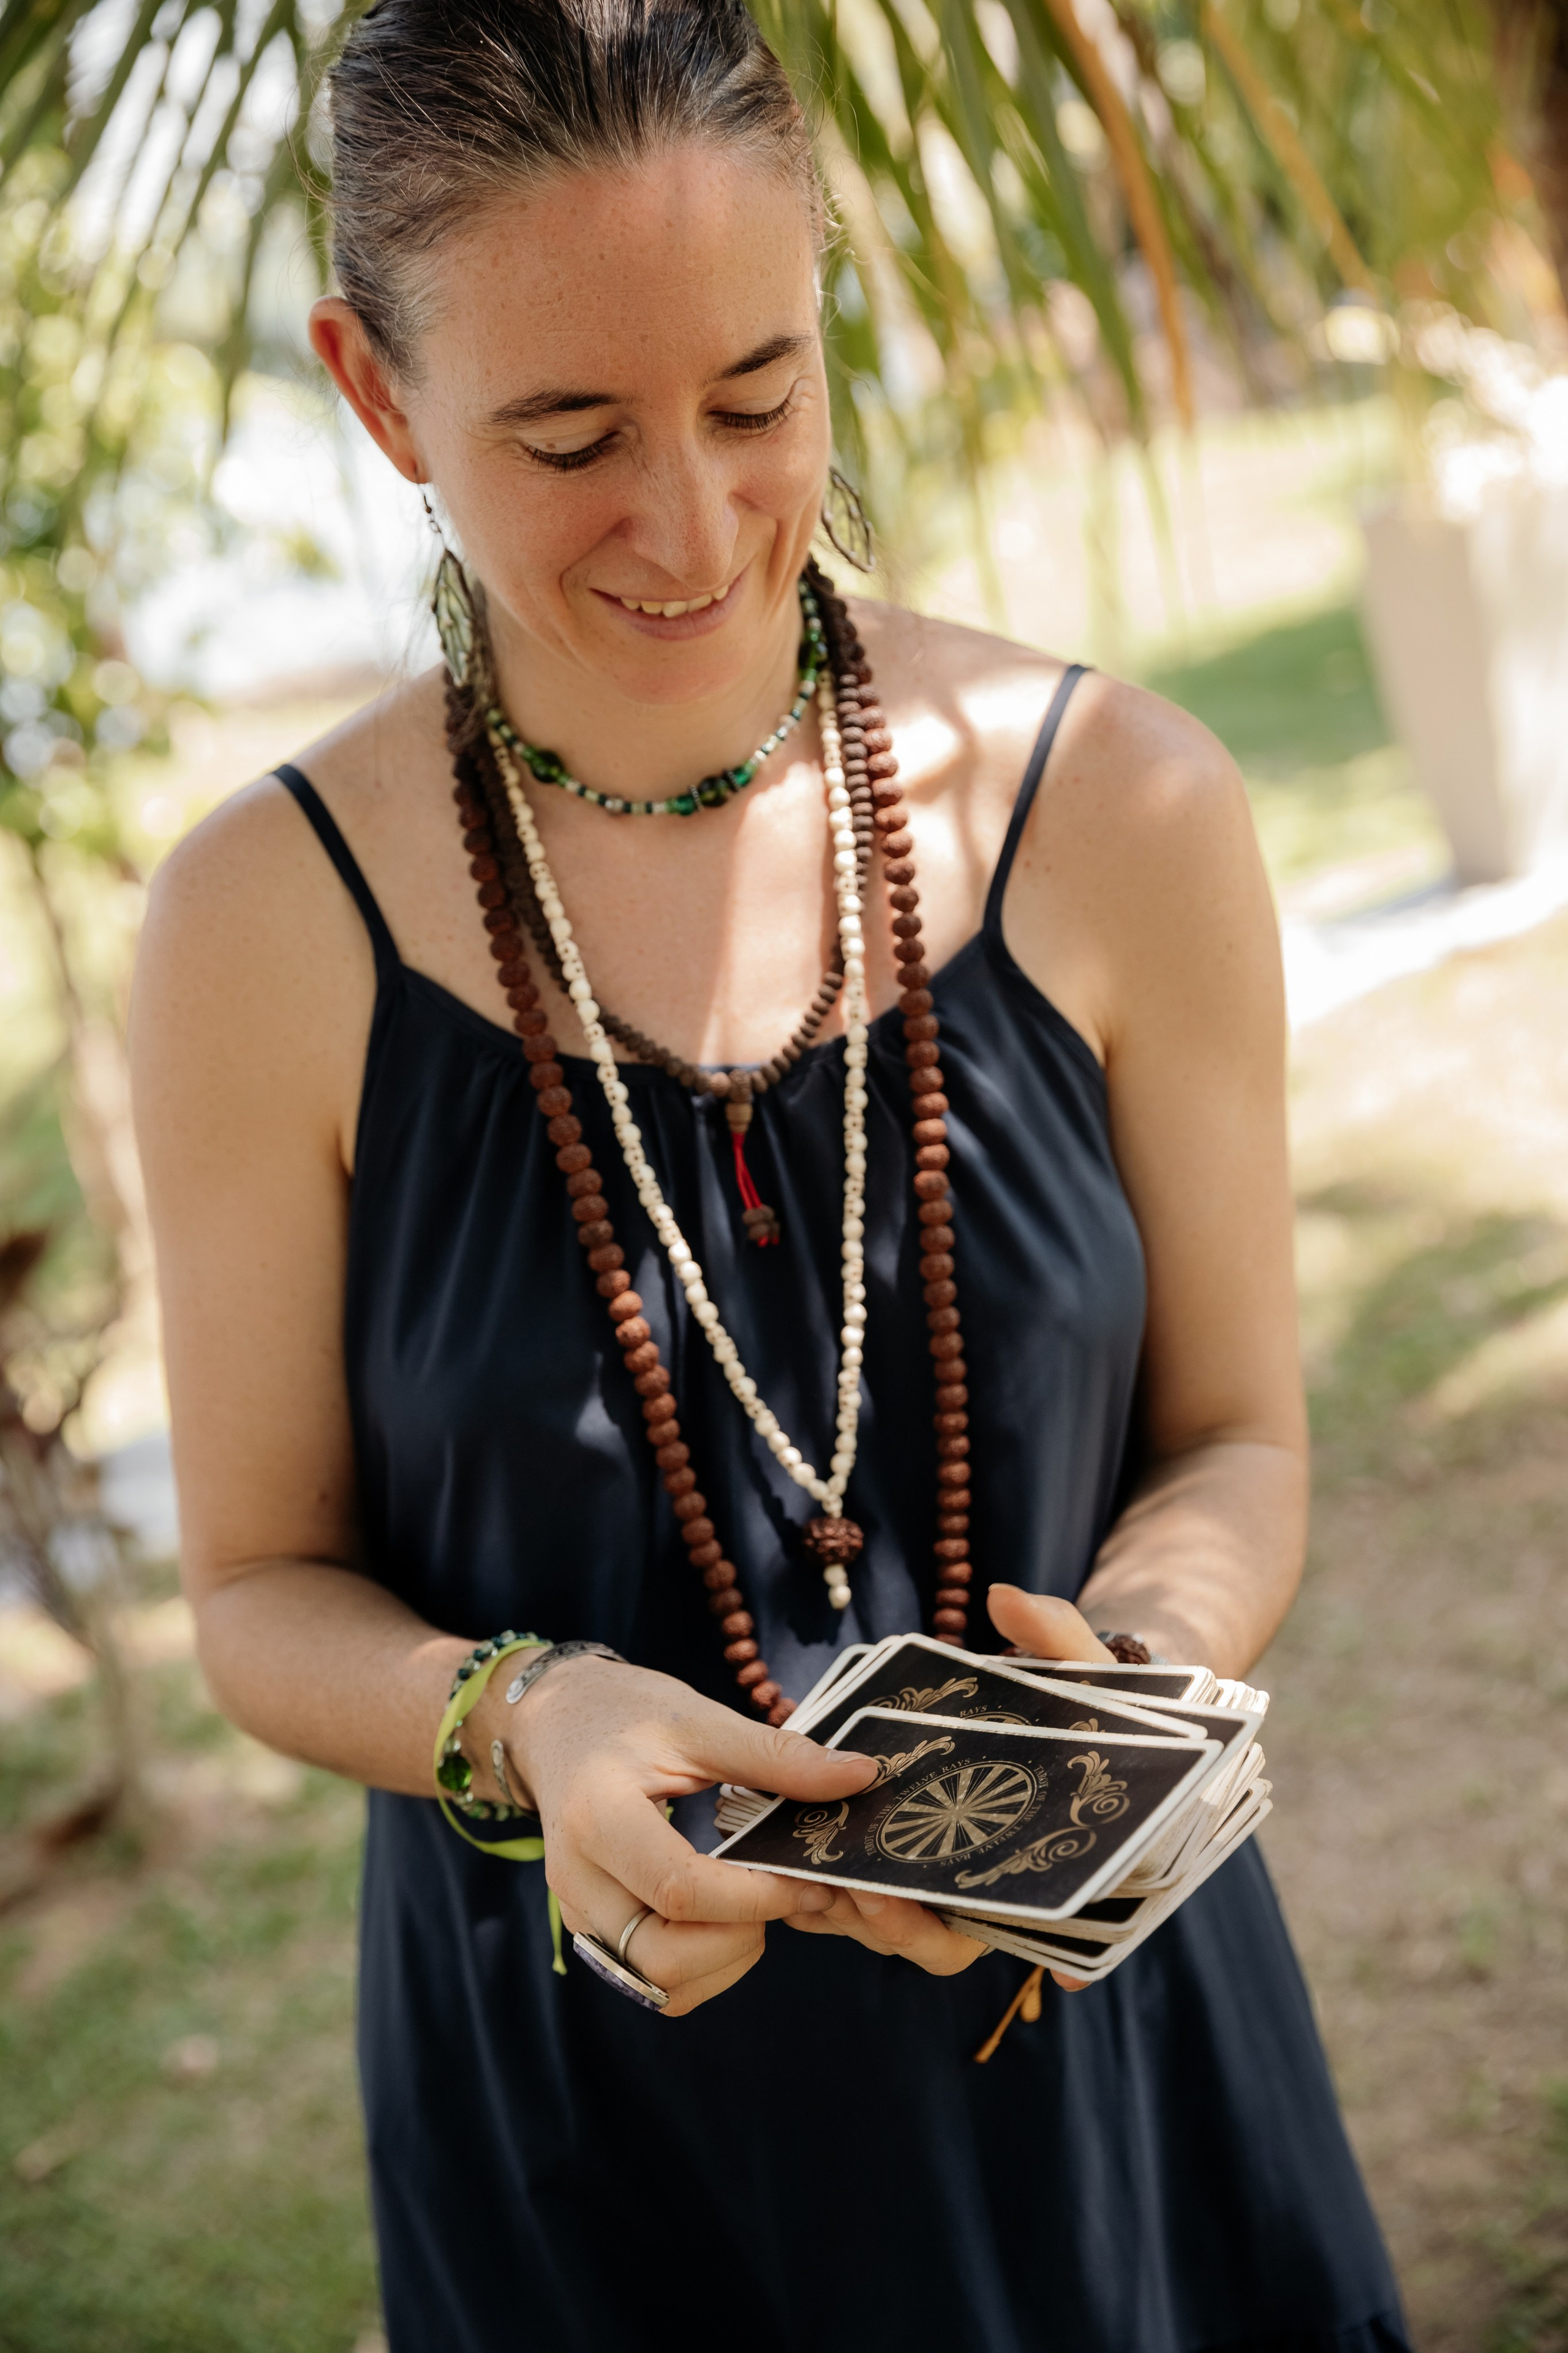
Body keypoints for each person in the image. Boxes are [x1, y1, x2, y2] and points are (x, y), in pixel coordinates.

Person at [129, 2, 1409, 2346]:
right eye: (571, 438)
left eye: (756, 396)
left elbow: (1239, 1436)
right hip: (589, 2141)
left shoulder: (1126, 807)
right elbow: (252, 1587)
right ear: (380, 395)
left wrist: (1120, 1692)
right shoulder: (257, 927)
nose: (696, 522)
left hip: (1094, 2060)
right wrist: (526, 1715)